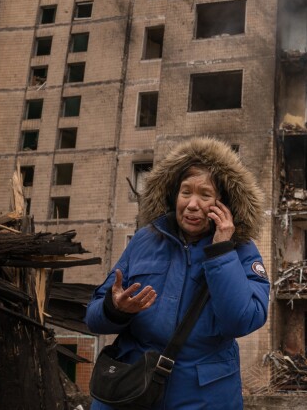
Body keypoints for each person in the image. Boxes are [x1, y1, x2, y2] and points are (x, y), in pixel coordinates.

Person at [86, 137, 270, 409]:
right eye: (186, 192)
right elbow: (93, 318)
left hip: (204, 396)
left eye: (205, 195)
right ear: (174, 195)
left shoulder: (241, 250)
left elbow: (241, 321)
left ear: (224, 204)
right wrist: (115, 309)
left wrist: (221, 251)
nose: (193, 204)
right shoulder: (144, 240)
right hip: (132, 388)